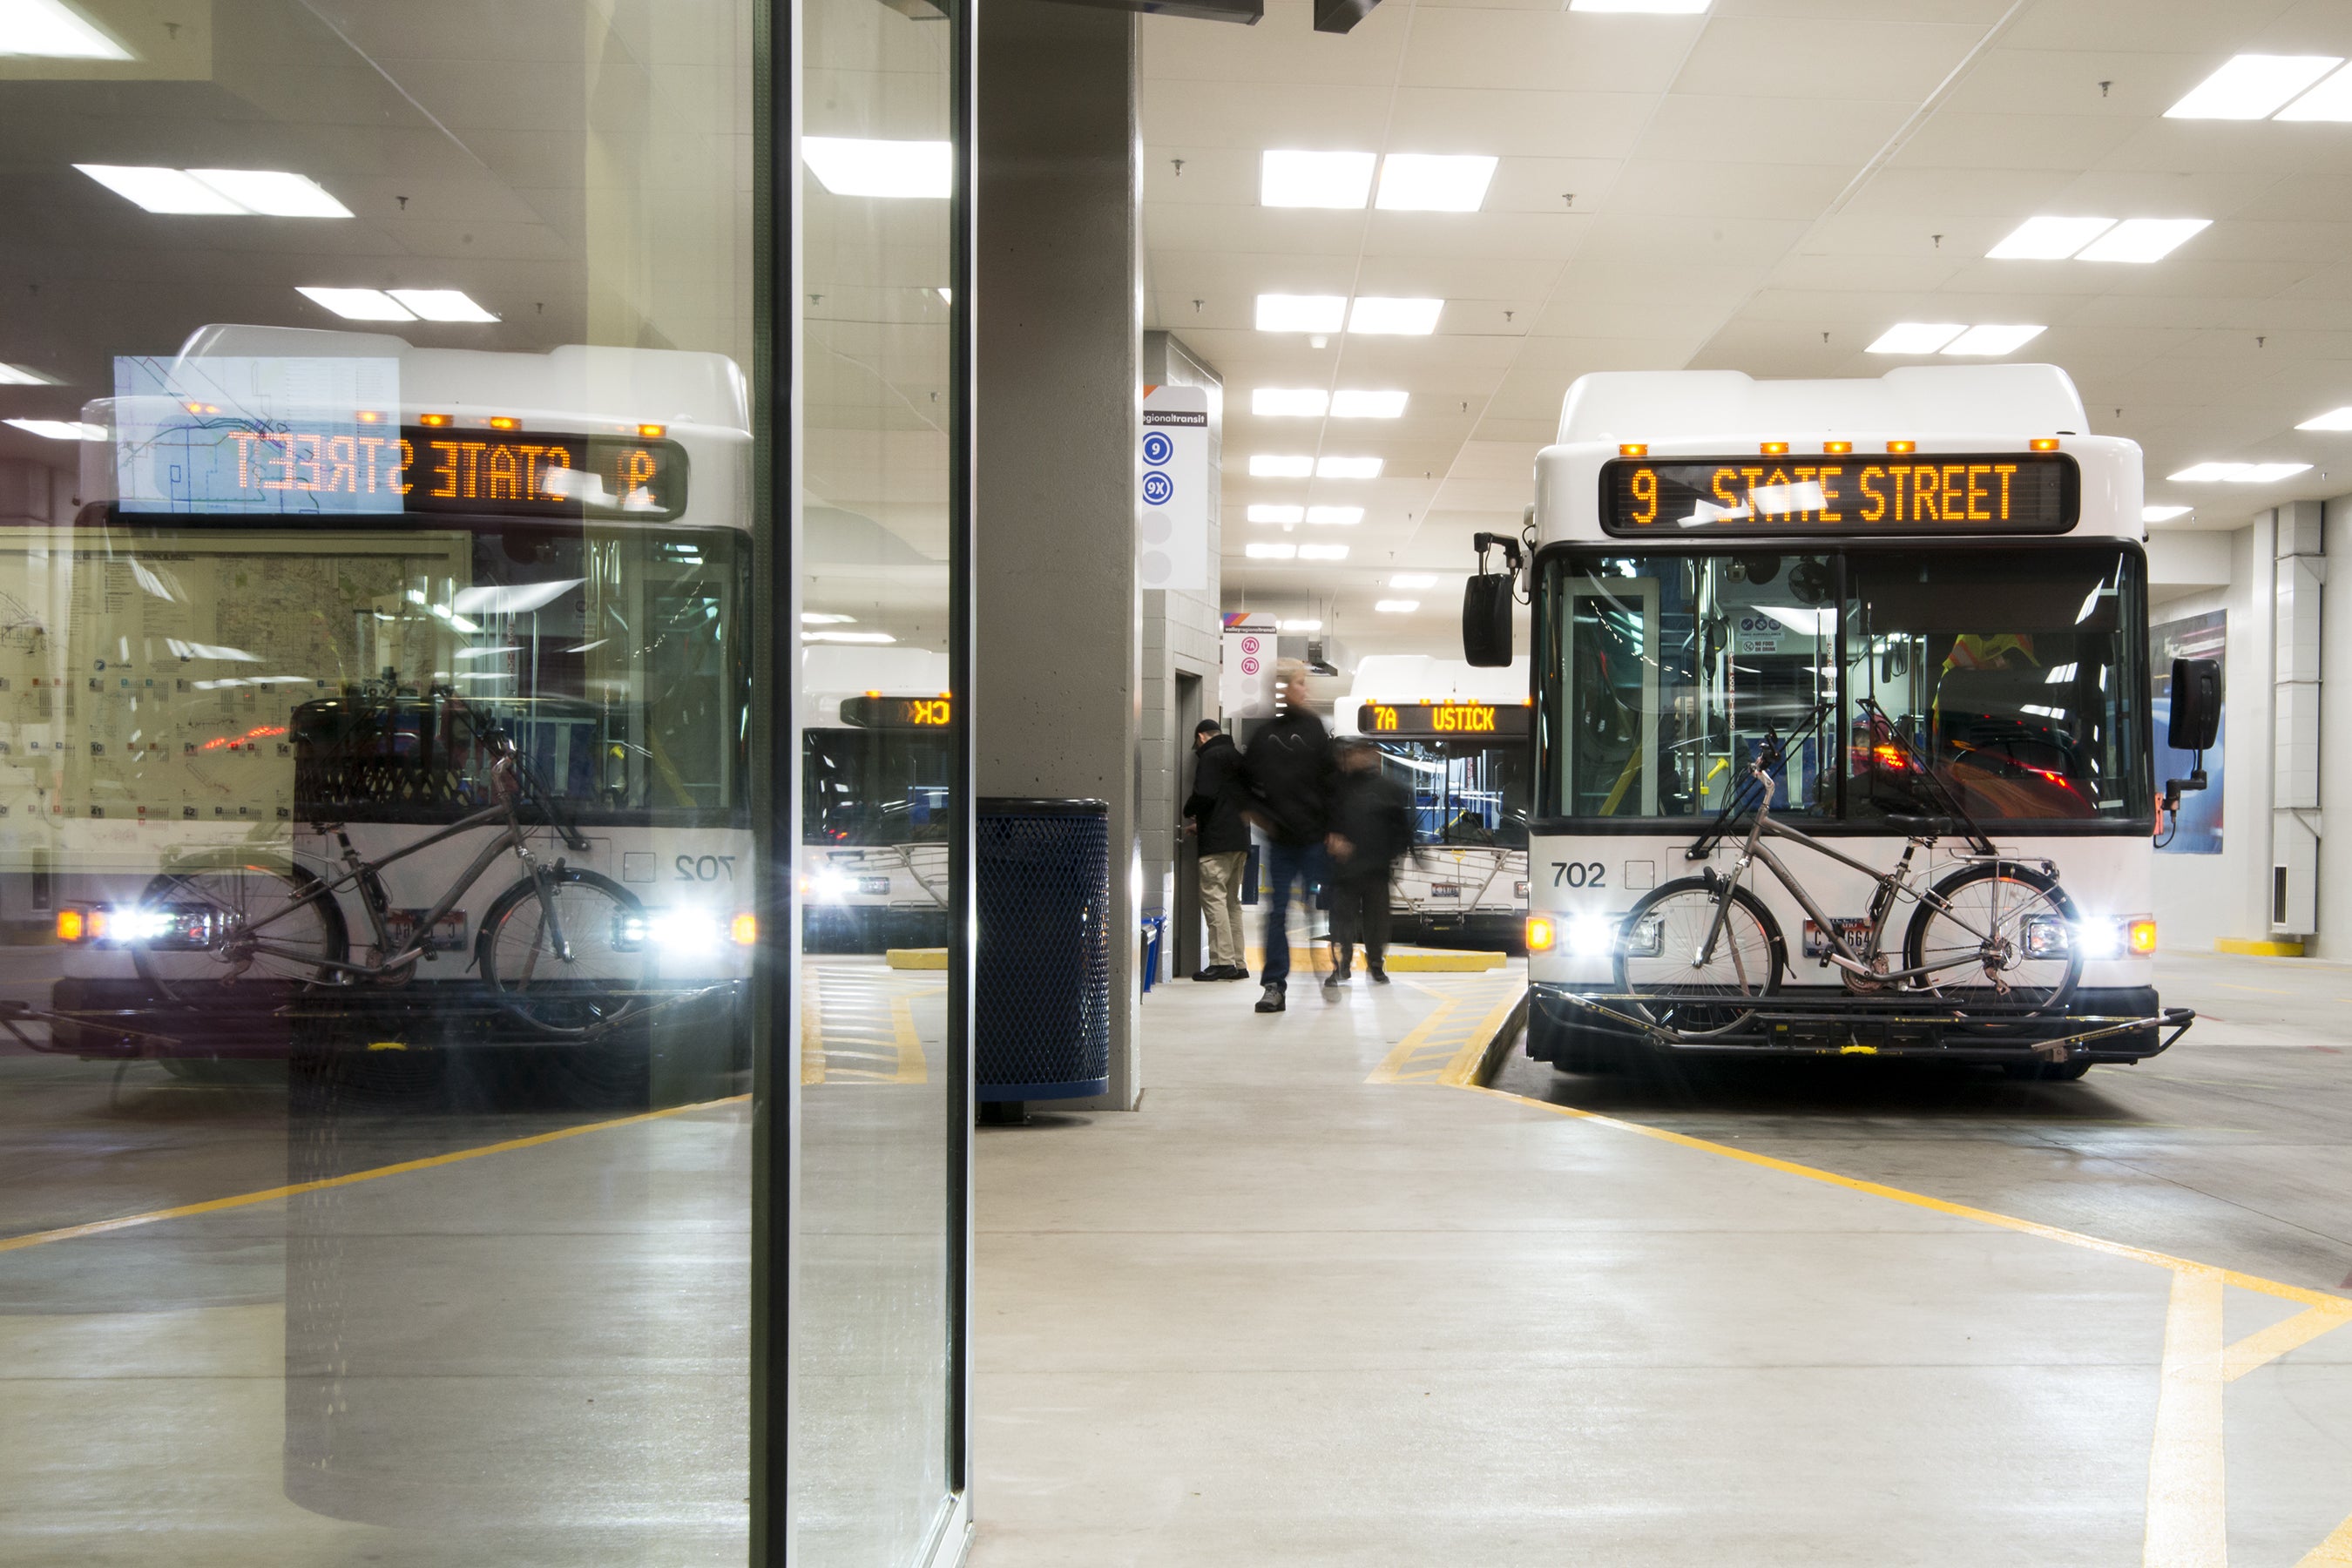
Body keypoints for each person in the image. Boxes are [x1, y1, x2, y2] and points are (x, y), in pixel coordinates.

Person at [1241, 661, 1335, 1014]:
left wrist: (1334, 830)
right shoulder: (1264, 736)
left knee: (1316, 911)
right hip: (1281, 842)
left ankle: (1325, 968)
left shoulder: (1315, 730)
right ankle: (1274, 986)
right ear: (1283, 688)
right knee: (1277, 912)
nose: (1304, 689)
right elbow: (1243, 783)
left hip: (1313, 840)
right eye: (1299, 683)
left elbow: (1331, 784)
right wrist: (1257, 815)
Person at [1325, 737, 1415, 985]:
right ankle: (1342, 964)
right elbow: (1323, 820)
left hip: (1376, 867)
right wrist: (1331, 839)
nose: (1359, 757)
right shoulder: (1335, 788)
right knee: (1342, 920)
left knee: (1377, 920)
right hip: (1345, 869)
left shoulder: (1388, 788)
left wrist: (1397, 853)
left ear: (1374, 756)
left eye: (1365, 753)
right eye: (1355, 753)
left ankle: (1376, 964)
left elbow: (1401, 827)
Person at [1181, 718, 1250, 981]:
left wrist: (1190, 811)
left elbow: (1206, 794)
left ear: (1201, 737)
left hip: (1217, 845)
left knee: (1214, 900)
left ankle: (1221, 962)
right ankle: (1239, 963)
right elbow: (1230, 803)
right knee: (1233, 903)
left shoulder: (1210, 757)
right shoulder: (1238, 758)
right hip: (1239, 841)